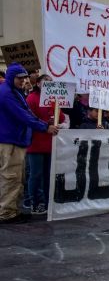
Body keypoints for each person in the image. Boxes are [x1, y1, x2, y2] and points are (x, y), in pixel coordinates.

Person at [0, 63, 59, 224]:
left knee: (16, 178)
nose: (23, 81)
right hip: (9, 141)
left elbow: (27, 113)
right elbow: (24, 116)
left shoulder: (14, 92)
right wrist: (45, 126)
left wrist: (44, 124)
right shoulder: (7, 94)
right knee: (10, 177)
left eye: (24, 77)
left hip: (15, 140)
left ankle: (12, 210)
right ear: (12, 78)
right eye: (20, 78)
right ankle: (6, 213)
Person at [25, 74, 65, 215]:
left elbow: (60, 117)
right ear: (38, 84)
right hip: (36, 142)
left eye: (50, 82)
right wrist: (45, 124)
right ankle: (34, 203)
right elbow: (29, 118)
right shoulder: (32, 98)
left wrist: (56, 108)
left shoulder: (54, 99)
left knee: (49, 174)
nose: (49, 84)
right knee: (35, 174)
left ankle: (48, 203)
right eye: (45, 82)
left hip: (50, 142)